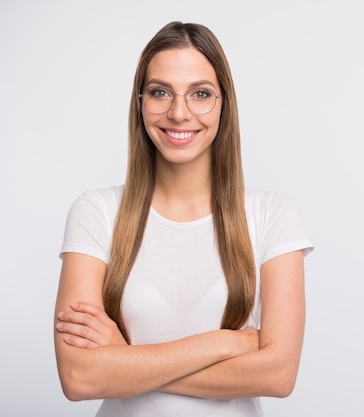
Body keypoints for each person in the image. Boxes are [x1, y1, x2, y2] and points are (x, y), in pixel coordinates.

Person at [53, 21, 313, 417]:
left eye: (200, 94)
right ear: (140, 102)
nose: (178, 112)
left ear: (224, 103)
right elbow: (80, 378)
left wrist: (126, 361)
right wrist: (226, 344)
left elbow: (278, 374)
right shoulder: (97, 213)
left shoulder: (272, 215)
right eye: (160, 92)